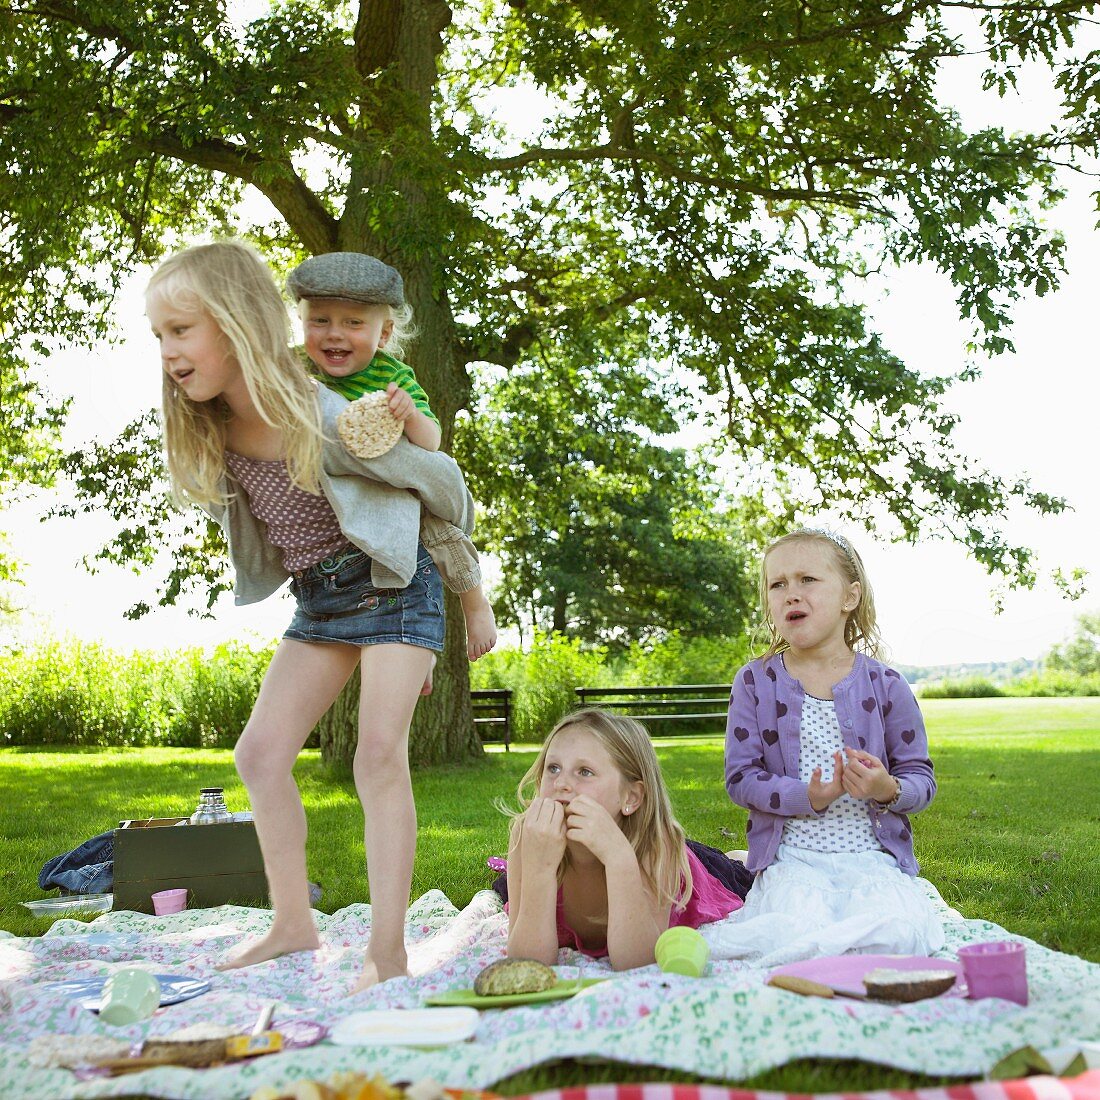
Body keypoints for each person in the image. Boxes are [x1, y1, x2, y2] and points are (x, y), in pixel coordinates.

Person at [146, 239, 476, 990]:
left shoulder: (324, 413)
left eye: (181, 330)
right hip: (323, 599)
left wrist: (456, 606)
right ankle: (293, 923)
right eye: (160, 335)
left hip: (395, 583)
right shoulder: (216, 424)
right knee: (259, 754)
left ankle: (387, 954)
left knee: (377, 755)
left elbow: (445, 487)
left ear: (234, 326)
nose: (168, 351)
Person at [714, 528, 942, 965]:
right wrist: (808, 796)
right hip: (795, 859)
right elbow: (740, 779)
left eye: (807, 580)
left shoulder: (888, 685)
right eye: (777, 585)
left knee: (899, 937)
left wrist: (886, 788)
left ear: (849, 597)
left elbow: (921, 780)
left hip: (871, 860)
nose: (790, 595)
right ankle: (755, 872)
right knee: (790, 938)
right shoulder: (755, 681)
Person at [286, 252, 497, 672]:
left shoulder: (393, 377)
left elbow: (432, 443)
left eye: (353, 323)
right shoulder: (298, 371)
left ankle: (474, 603)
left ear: (383, 334)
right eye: (320, 320)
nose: (335, 335)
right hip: (343, 498)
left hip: (397, 490)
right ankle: (413, 660)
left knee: (437, 532)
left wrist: (409, 413)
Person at [502, 708, 749, 970]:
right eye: (553, 768)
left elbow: (635, 962)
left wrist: (619, 859)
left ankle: (735, 856)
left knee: (734, 869)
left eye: (584, 772)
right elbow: (526, 964)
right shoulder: (527, 836)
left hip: (692, 872)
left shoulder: (655, 842)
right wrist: (540, 869)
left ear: (630, 797)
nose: (561, 783)